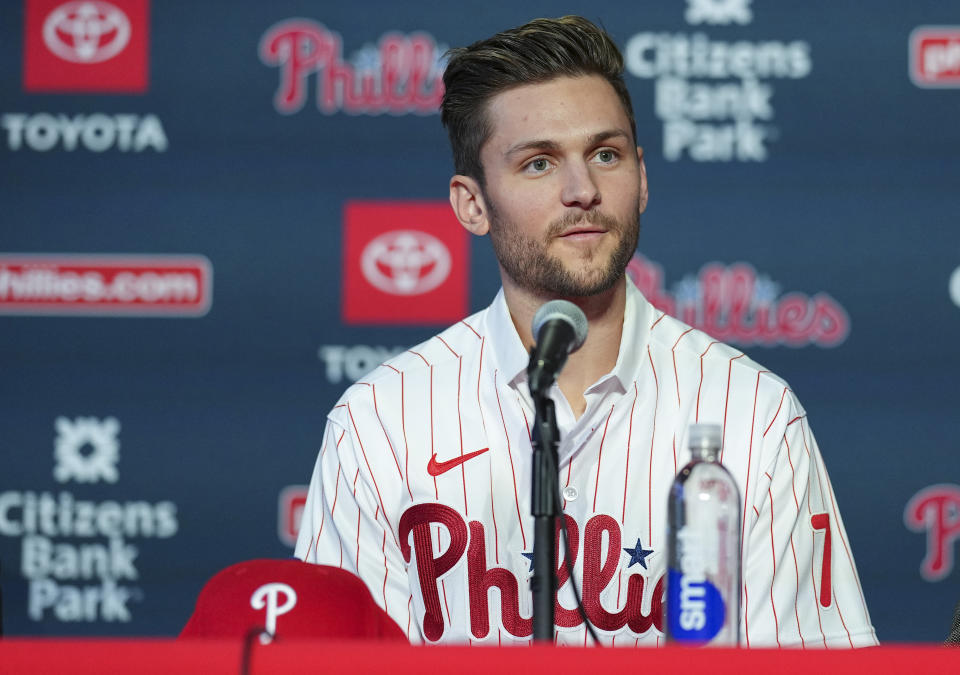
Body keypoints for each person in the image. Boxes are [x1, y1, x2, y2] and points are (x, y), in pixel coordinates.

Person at [295, 15, 877, 647]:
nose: (583, 190)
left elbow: (818, 657)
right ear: (472, 204)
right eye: (539, 164)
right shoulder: (382, 419)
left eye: (606, 154)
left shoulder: (754, 414)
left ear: (643, 177)